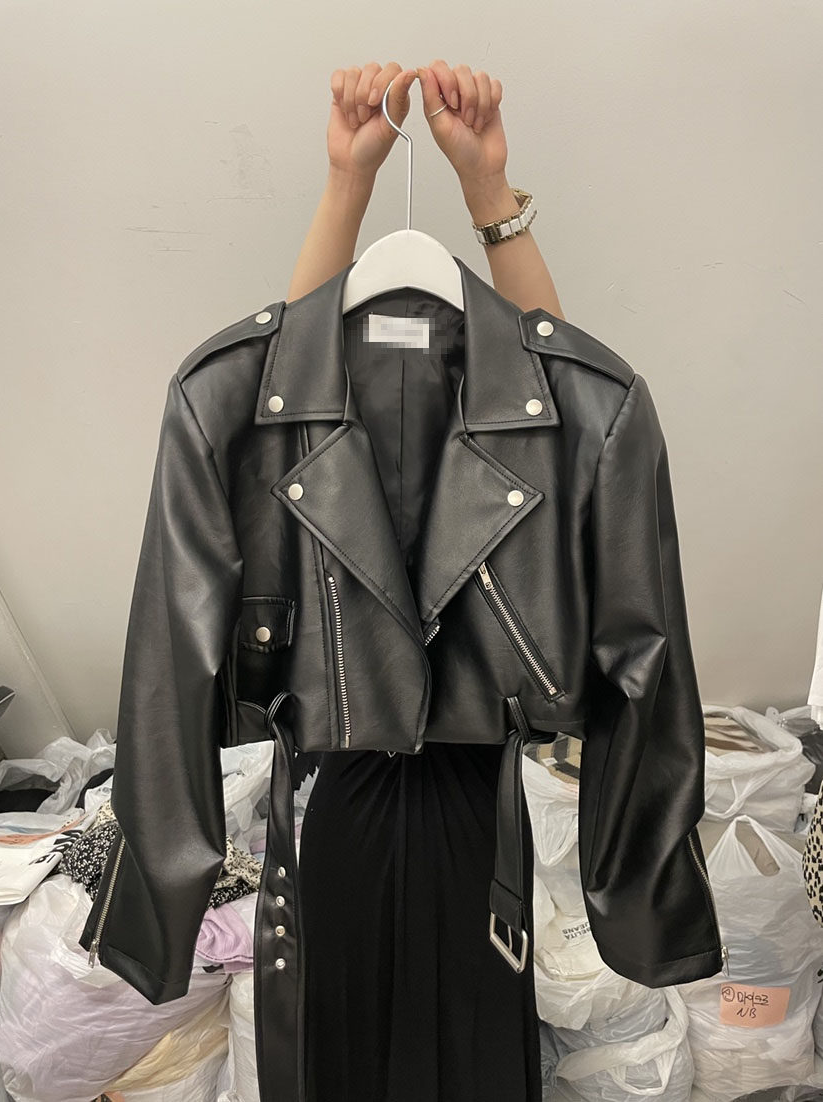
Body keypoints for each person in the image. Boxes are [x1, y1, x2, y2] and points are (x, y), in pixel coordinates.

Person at [293, 60, 565, 1102]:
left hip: (475, 801)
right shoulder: (314, 426)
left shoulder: (503, 412)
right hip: (351, 792)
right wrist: (347, 183)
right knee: (354, 1050)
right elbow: (282, 389)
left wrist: (487, 190)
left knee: (473, 1051)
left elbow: (562, 388)